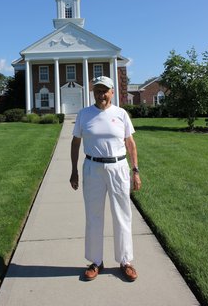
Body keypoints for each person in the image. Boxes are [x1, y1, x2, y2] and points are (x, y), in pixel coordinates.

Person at [70, 75, 141, 281]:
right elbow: (75, 143)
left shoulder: (121, 114)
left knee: (122, 214)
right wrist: (74, 170)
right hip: (92, 167)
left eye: (105, 91)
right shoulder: (84, 114)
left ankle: (125, 261)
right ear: (93, 92)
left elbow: (130, 144)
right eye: (98, 90)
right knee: (93, 216)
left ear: (112, 92)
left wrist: (135, 170)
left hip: (118, 167)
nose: (101, 94)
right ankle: (96, 261)